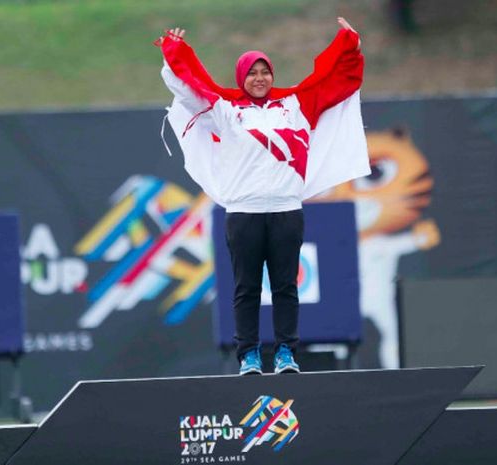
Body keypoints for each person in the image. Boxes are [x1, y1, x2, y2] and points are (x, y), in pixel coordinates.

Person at [157, 18, 370, 375]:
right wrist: (173, 56)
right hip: (244, 213)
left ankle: (286, 352)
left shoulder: (297, 105)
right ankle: (249, 356)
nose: (259, 78)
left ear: (272, 75)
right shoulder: (225, 111)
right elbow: (190, 90)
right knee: (247, 289)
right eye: (252, 72)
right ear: (242, 78)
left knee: (286, 287)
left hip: (287, 210)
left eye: (265, 71)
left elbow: (337, 81)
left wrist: (350, 44)